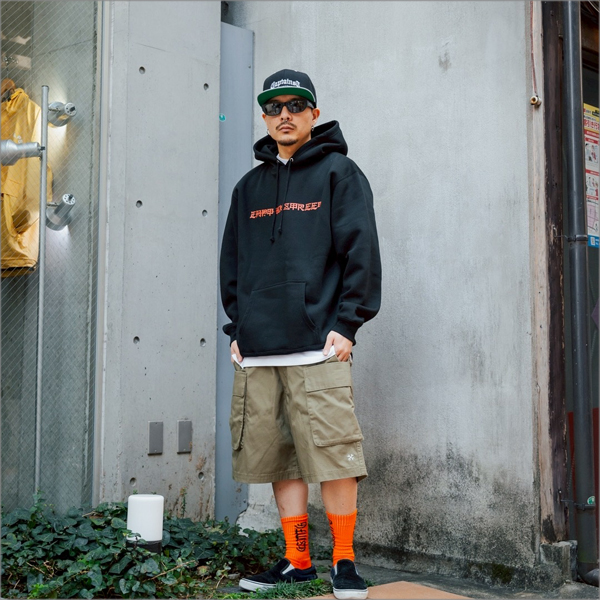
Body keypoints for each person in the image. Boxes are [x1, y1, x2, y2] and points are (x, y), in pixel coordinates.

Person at [219, 68, 381, 600]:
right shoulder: (248, 188)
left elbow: (361, 251)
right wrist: (238, 328)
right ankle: (297, 560)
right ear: (264, 116)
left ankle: (344, 561)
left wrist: (348, 323)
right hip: (259, 349)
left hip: (320, 346)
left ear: (314, 113)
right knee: (278, 456)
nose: (284, 115)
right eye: (274, 107)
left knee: (333, 453)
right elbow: (232, 265)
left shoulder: (339, 173)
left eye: (295, 105)